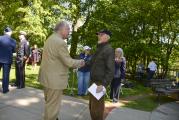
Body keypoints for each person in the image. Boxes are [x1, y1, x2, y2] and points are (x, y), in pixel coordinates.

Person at [38, 21, 85, 120]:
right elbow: (68, 62)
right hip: (55, 81)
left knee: (49, 104)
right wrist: (80, 62)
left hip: (47, 78)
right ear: (61, 29)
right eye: (68, 29)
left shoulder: (50, 38)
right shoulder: (60, 42)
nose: (70, 32)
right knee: (52, 107)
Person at [88, 29, 115, 120]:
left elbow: (111, 70)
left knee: (97, 109)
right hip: (93, 82)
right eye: (98, 34)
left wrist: (103, 85)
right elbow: (91, 62)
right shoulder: (99, 48)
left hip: (99, 83)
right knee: (92, 107)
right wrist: (80, 63)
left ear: (106, 37)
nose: (98, 36)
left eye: (100, 34)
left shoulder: (109, 49)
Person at [0, 27, 16, 93]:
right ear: (10, 33)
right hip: (7, 59)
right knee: (6, 75)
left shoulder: (0, 38)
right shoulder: (13, 41)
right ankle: (5, 89)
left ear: (4, 32)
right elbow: (13, 51)